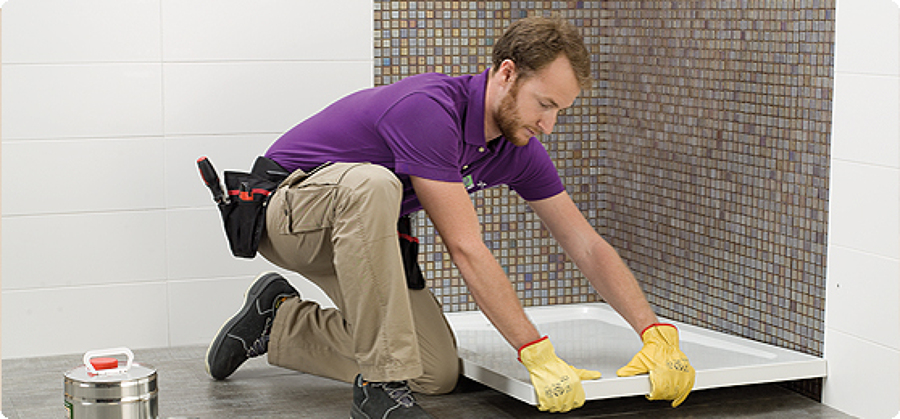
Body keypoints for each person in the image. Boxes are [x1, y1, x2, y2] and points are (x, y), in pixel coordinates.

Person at [204, 16, 695, 418]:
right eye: (544, 104)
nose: (548, 124)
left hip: (363, 233)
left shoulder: (517, 146)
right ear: (506, 74)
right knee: (374, 183)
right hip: (287, 213)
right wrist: (535, 351)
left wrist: (654, 333)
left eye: (559, 111)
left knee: (433, 372)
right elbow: (465, 246)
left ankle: (278, 322)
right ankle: (378, 390)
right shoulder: (428, 110)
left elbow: (583, 242)